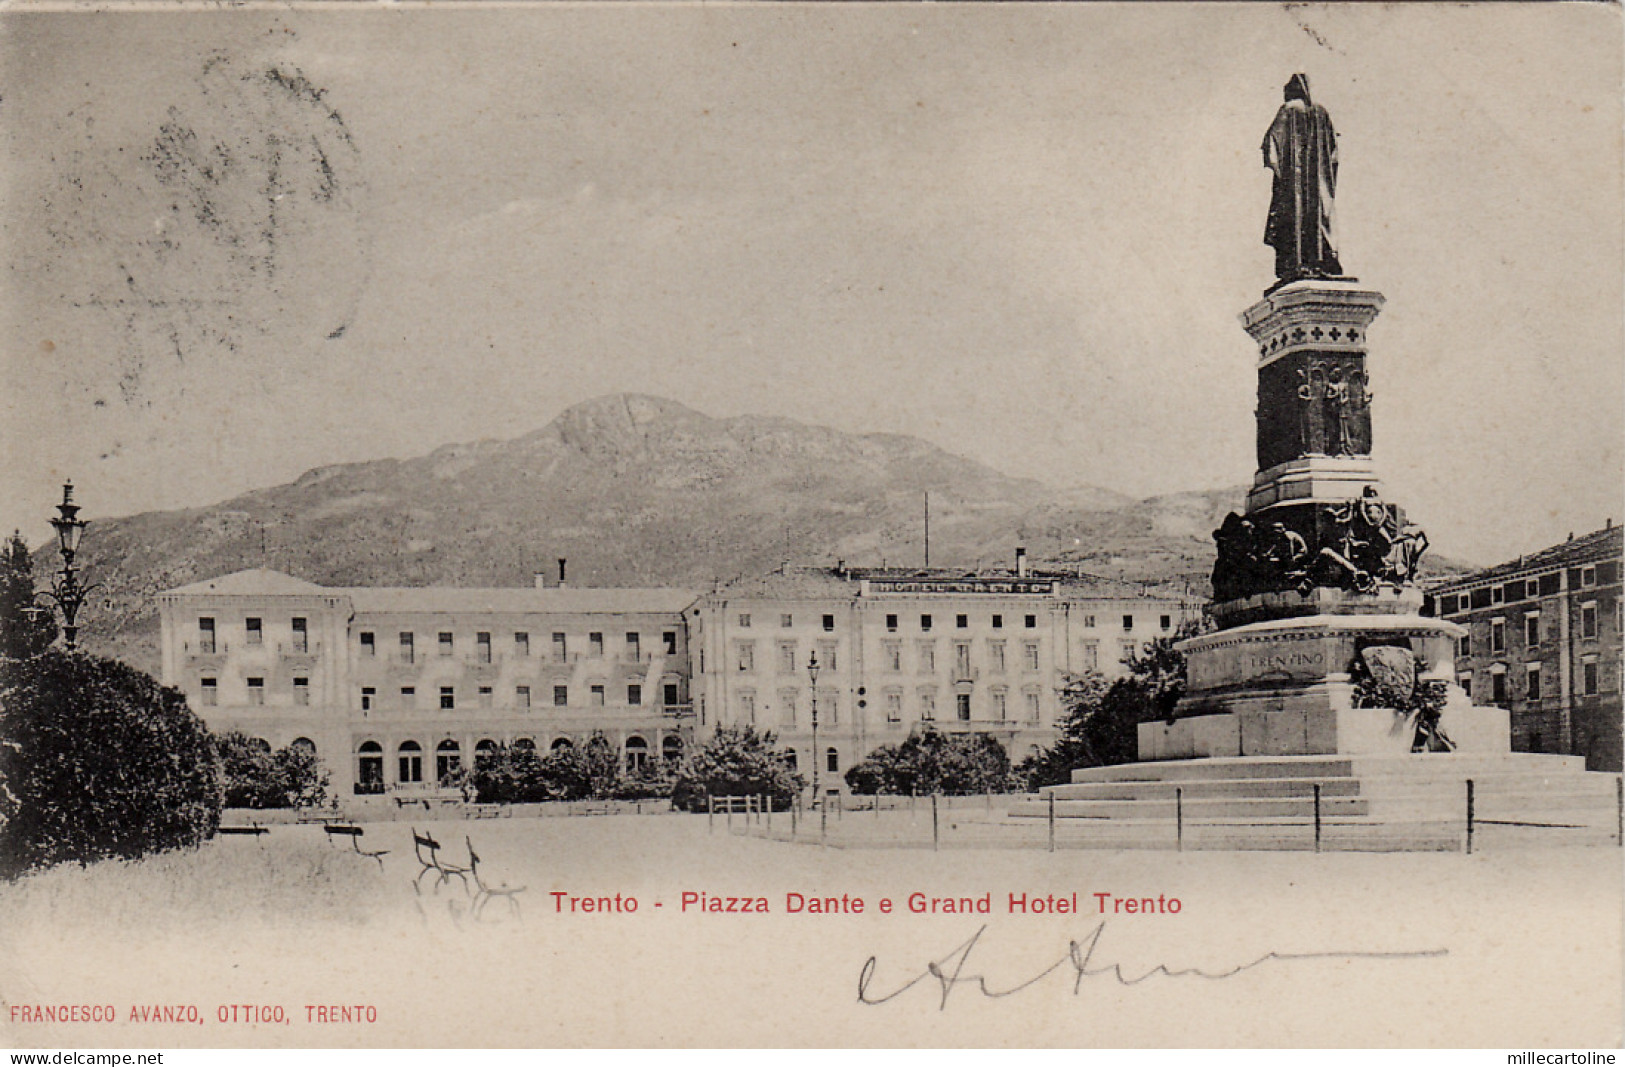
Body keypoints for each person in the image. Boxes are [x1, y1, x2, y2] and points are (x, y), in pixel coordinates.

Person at [1263, 73, 1342, 282]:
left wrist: (1281, 176)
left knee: (1293, 217)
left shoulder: (1288, 110)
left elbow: (1271, 146)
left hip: (1294, 184)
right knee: (1320, 216)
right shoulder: (1321, 112)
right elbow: (1334, 152)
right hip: (1318, 185)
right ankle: (1323, 260)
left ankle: (1296, 263)